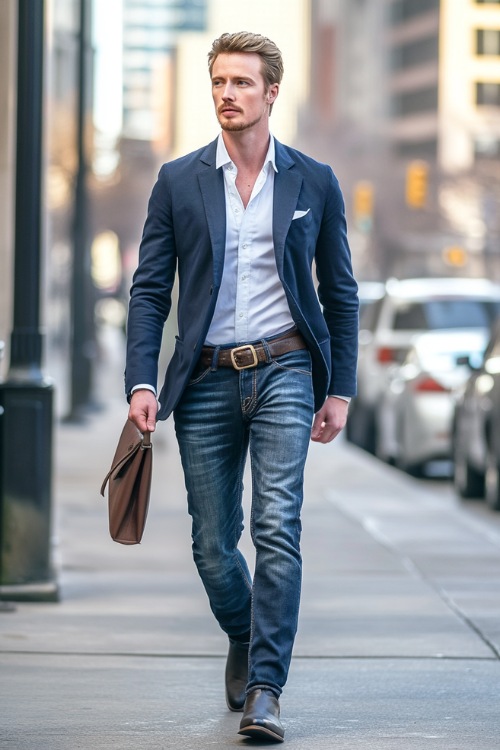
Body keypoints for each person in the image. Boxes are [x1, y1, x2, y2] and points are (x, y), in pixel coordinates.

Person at [125, 31, 358, 743]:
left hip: (287, 367)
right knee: (211, 544)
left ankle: (265, 688)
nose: (228, 94)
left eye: (242, 83)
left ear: (271, 93)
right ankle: (246, 629)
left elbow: (340, 292)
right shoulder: (178, 180)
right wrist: (142, 379)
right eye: (220, 82)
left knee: (276, 527)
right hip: (202, 380)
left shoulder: (312, 180)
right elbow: (148, 291)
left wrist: (339, 388)